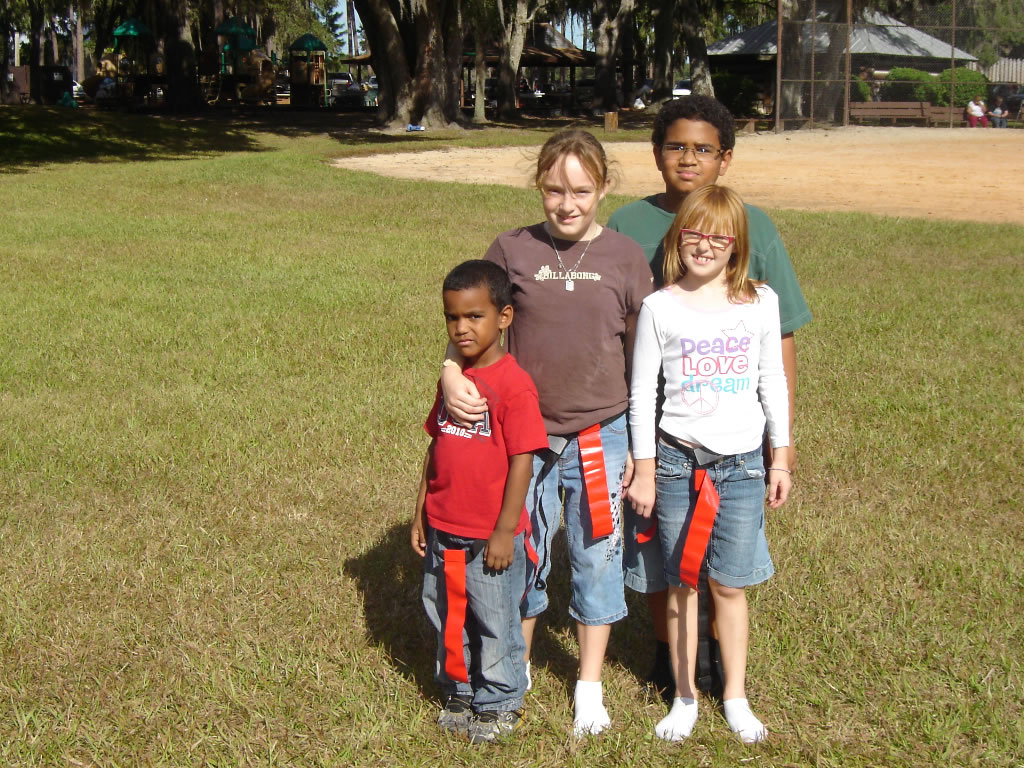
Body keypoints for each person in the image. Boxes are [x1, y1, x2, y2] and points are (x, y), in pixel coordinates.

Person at [441, 129, 653, 736]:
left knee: (596, 554)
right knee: (519, 549)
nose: (567, 203)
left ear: (603, 188)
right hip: (521, 438)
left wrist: (641, 449)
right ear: (539, 186)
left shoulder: (624, 256)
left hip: (601, 431)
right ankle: (517, 663)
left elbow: (644, 357)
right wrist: (450, 370)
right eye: (555, 190)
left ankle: (589, 684)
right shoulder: (513, 248)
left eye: (581, 191)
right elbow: (474, 325)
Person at [606, 95, 811, 700]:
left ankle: (719, 654)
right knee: (659, 549)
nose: (688, 159)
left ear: (726, 158)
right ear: (656, 153)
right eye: (676, 146)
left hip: (729, 424)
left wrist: (781, 436)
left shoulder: (752, 224)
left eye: (703, 149)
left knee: (726, 554)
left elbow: (779, 339)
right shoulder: (628, 224)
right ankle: (670, 655)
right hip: (653, 424)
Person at [627, 184, 792, 743]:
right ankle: (685, 696)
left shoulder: (761, 302)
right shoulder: (660, 307)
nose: (705, 245)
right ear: (678, 238)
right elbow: (642, 394)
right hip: (676, 464)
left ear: (736, 244)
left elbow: (773, 380)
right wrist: (645, 469)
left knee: (729, 584)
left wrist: (780, 457)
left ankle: (736, 696)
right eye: (693, 233)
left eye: (719, 237)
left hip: (742, 466)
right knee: (682, 584)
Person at [411, 259, 549, 744]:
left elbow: (522, 462)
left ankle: (500, 700)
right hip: (444, 527)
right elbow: (437, 445)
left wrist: (505, 531)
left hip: (489, 536)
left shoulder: (514, 385)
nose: (461, 327)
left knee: (494, 621)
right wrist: (420, 511)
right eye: (452, 317)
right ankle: (460, 689)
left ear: (504, 317)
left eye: (474, 316)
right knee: (447, 613)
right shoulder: (453, 382)